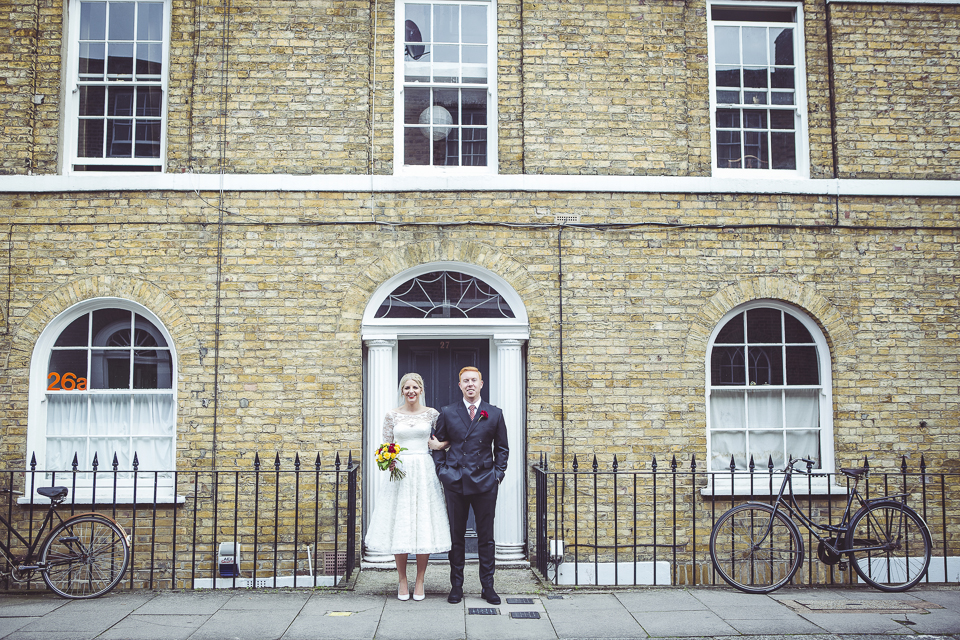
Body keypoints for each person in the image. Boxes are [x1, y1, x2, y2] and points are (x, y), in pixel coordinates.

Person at [364, 373, 451, 601]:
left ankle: (420, 580)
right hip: (399, 473)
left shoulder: (432, 414)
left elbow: (448, 438)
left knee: (423, 522)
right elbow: (386, 443)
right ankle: (402, 579)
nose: (411, 391)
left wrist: (439, 445)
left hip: (424, 469)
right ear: (402, 391)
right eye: (406, 387)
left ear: (421, 389)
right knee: (400, 523)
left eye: (415, 387)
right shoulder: (392, 415)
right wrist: (387, 458)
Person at [431, 366, 509, 605]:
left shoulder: (494, 413)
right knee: (456, 537)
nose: (470, 384)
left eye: (474, 380)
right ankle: (456, 586)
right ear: (460, 385)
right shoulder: (447, 412)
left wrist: (498, 474)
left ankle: (488, 587)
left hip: (485, 482)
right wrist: (442, 472)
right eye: (465, 381)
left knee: (486, 537)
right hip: (456, 482)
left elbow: (502, 449)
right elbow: (437, 445)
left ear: (481, 384)